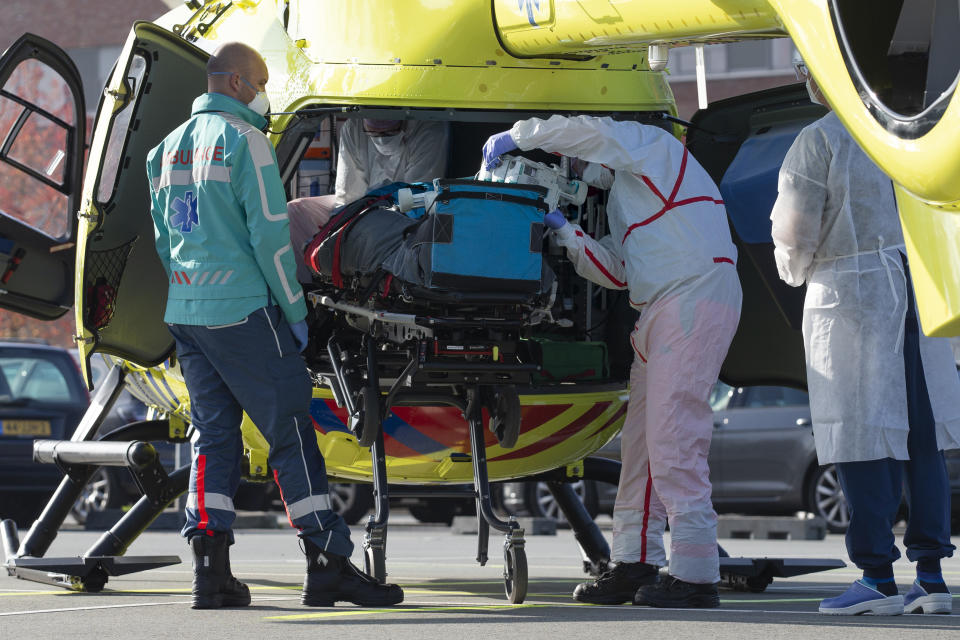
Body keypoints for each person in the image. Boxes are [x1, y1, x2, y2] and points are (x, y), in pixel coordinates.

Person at [146, 42, 403, 610]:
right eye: (261, 82)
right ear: (236, 82)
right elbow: (269, 239)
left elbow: (167, 240)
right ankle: (328, 563)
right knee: (291, 434)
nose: (265, 94)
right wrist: (294, 312)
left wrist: (192, 292)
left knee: (213, 438)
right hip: (244, 312)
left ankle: (210, 572)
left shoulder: (164, 150)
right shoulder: (246, 143)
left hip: (187, 313)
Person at [483, 115, 742, 608]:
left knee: (672, 436)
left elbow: (594, 135)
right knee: (642, 446)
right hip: (664, 305)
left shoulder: (654, 148)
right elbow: (621, 271)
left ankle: (694, 573)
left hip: (690, 299)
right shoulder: (632, 192)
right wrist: (566, 232)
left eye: (571, 160)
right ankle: (632, 562)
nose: (571, 168)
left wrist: (520, 136)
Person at [770, 55, 960, 616]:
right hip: (919, 288)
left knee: (860, 435)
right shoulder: (917, 133)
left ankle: (876, 577)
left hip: (851, 298)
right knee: (921, 438)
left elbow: (794, 233)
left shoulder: (820, 138)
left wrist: (792, 268)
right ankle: (930, 577)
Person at [287, 118, 449, 281]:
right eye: (373, 132)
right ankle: (305, 285)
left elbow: (416, 199)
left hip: (407, 215)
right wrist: (338, 227)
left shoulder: (430, 130)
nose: (381, 138)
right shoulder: (353, 128)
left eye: (389, 132)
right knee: (296, 210)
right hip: (362, 205)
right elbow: (348, 196)